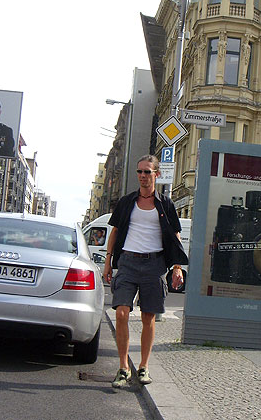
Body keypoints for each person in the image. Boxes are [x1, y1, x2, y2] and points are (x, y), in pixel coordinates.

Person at [103, 154, 188, 388]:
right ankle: (123, 368)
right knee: (121, 312)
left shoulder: (166, 205)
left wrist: (177, 267)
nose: (143, 176)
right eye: (140, 172)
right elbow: (115, 232)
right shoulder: (127, 202)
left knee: (148, 317)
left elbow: (175, 236)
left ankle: (143, 367)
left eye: (147, 172)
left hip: (154, 264)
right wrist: (108, 261)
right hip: (128, 262)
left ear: (156, 175)